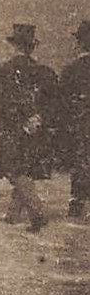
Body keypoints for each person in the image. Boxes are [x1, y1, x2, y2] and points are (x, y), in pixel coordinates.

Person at [0, 24, 55, 233]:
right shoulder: (44, 71)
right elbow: (51, 101)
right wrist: (37, 118)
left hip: (12, 126)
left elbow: (2, 102)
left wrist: (19, 120)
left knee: (15, 169)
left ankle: (37, 211)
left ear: (14, 46)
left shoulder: (5, 70)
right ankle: (13, 214)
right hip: (36, 127)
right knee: (25, 166)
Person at [60, 21, 90, 220]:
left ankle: (76, 204)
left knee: (81, 162)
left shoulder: (72, 68)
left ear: (80, 43)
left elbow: (62, 98)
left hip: (80, 122)